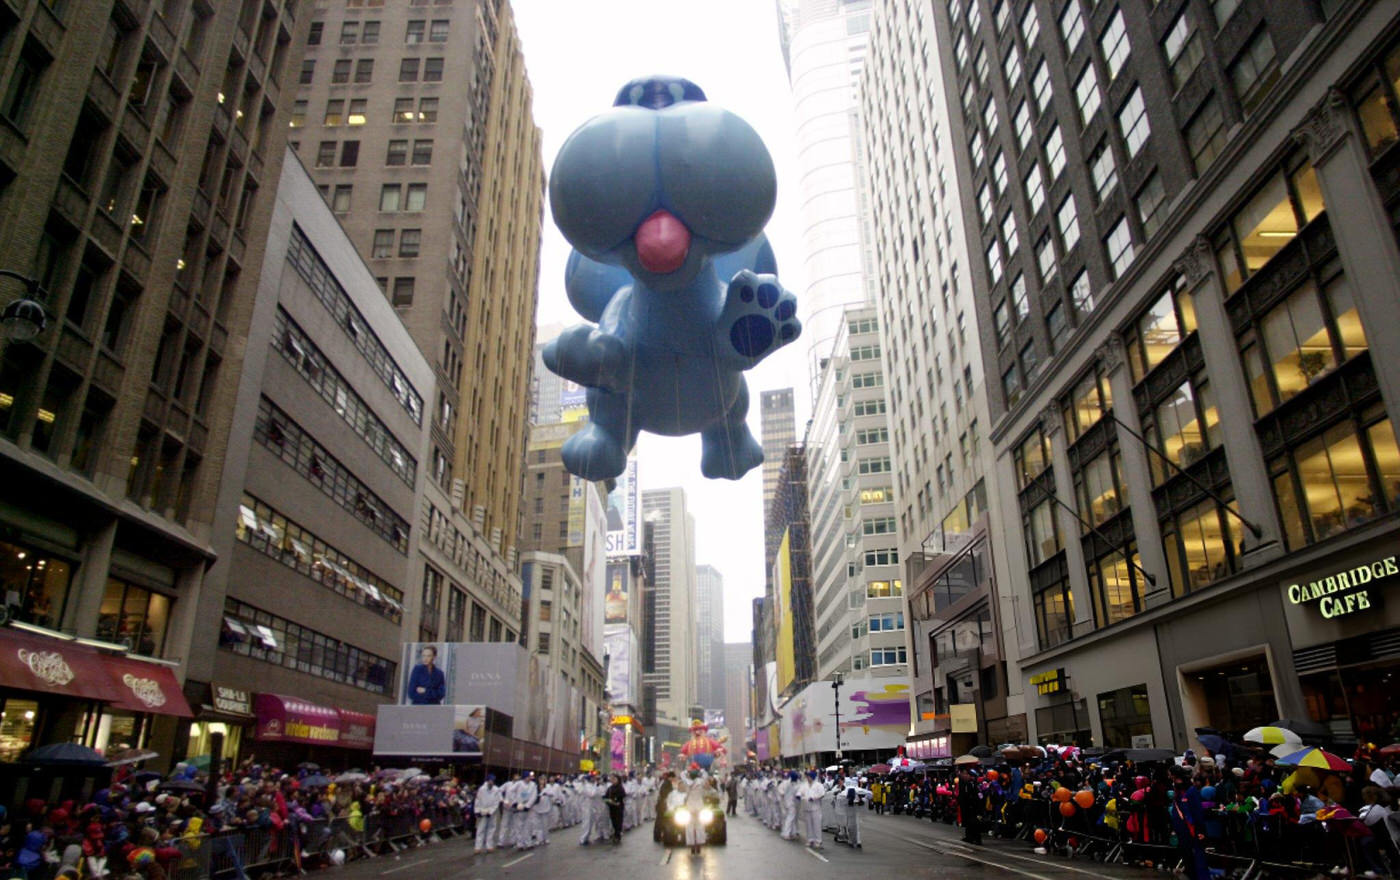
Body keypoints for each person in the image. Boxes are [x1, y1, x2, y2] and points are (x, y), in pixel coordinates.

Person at [681, 769, 709, 855]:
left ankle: (692, 846)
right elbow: (705, 774)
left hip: (690, 807)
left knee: (689, 827)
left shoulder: (686, 782)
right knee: (700, 826)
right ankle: (699, 845)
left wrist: (686, 771)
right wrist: (701, 770)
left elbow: (682, 774)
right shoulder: (700, 782)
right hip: (699, 807)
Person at [473, 775, 502, 854]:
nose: (491, 782)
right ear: (487, 781)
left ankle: (489, 845)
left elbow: (497, 802)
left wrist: (491, 811)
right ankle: (478, 847)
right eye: (490, 780)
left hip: (491, 812)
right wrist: (477, 811)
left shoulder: (496, 790)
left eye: (492, 781)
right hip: (483, 811)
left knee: (491, 829)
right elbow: (478, 800)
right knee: (480, 829)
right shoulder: (482, 789)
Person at [799, 770, 825, 849]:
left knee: (816, 825)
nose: (808, 778)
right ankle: (810, 839)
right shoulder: (804, 785)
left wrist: (814, 798)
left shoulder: (818, 785)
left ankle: (818, 841)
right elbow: (800, 792)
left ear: (813, 777)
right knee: (808, 825)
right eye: (807, 776)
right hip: (806, 807)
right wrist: (800, 796)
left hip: (815, 807)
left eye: (809, 776)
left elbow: (822, 794)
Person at [957, 768, 983, 844]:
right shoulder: (964, 783)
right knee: (968, 822)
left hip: (973, 806)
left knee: (974, 823)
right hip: (968, 806)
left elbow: (977, 795)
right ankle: (969, 837)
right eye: (963, 774)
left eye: (965, 774)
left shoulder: (972, 784)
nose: (964, 776)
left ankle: (977, 839)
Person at [605, 774, 627, 844]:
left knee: (618, 822)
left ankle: (617, 835)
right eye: (612, 779)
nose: (613, 780)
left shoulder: (620, 788)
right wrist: (608, 801)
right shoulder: (610, 788)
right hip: (612, 807)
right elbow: (606, 797)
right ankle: (615, 833)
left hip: (618, 807)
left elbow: (622, 796)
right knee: (613, 821)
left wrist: (616, 801)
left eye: (614, 779)